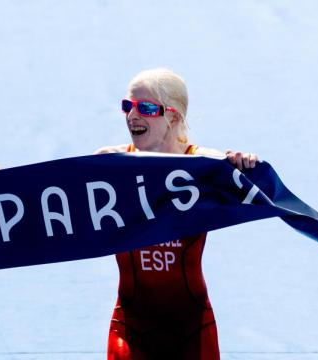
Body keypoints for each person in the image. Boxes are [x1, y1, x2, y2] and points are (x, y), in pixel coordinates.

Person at [95, 68, 257, 359]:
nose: (133, 116)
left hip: (192, 331)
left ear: (174, 117)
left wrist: (244, 165)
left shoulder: (205, 165)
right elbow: (48, 195)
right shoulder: (110, 165)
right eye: (127, 106)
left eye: (145, 108)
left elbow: (260, 187)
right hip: (130, 329)